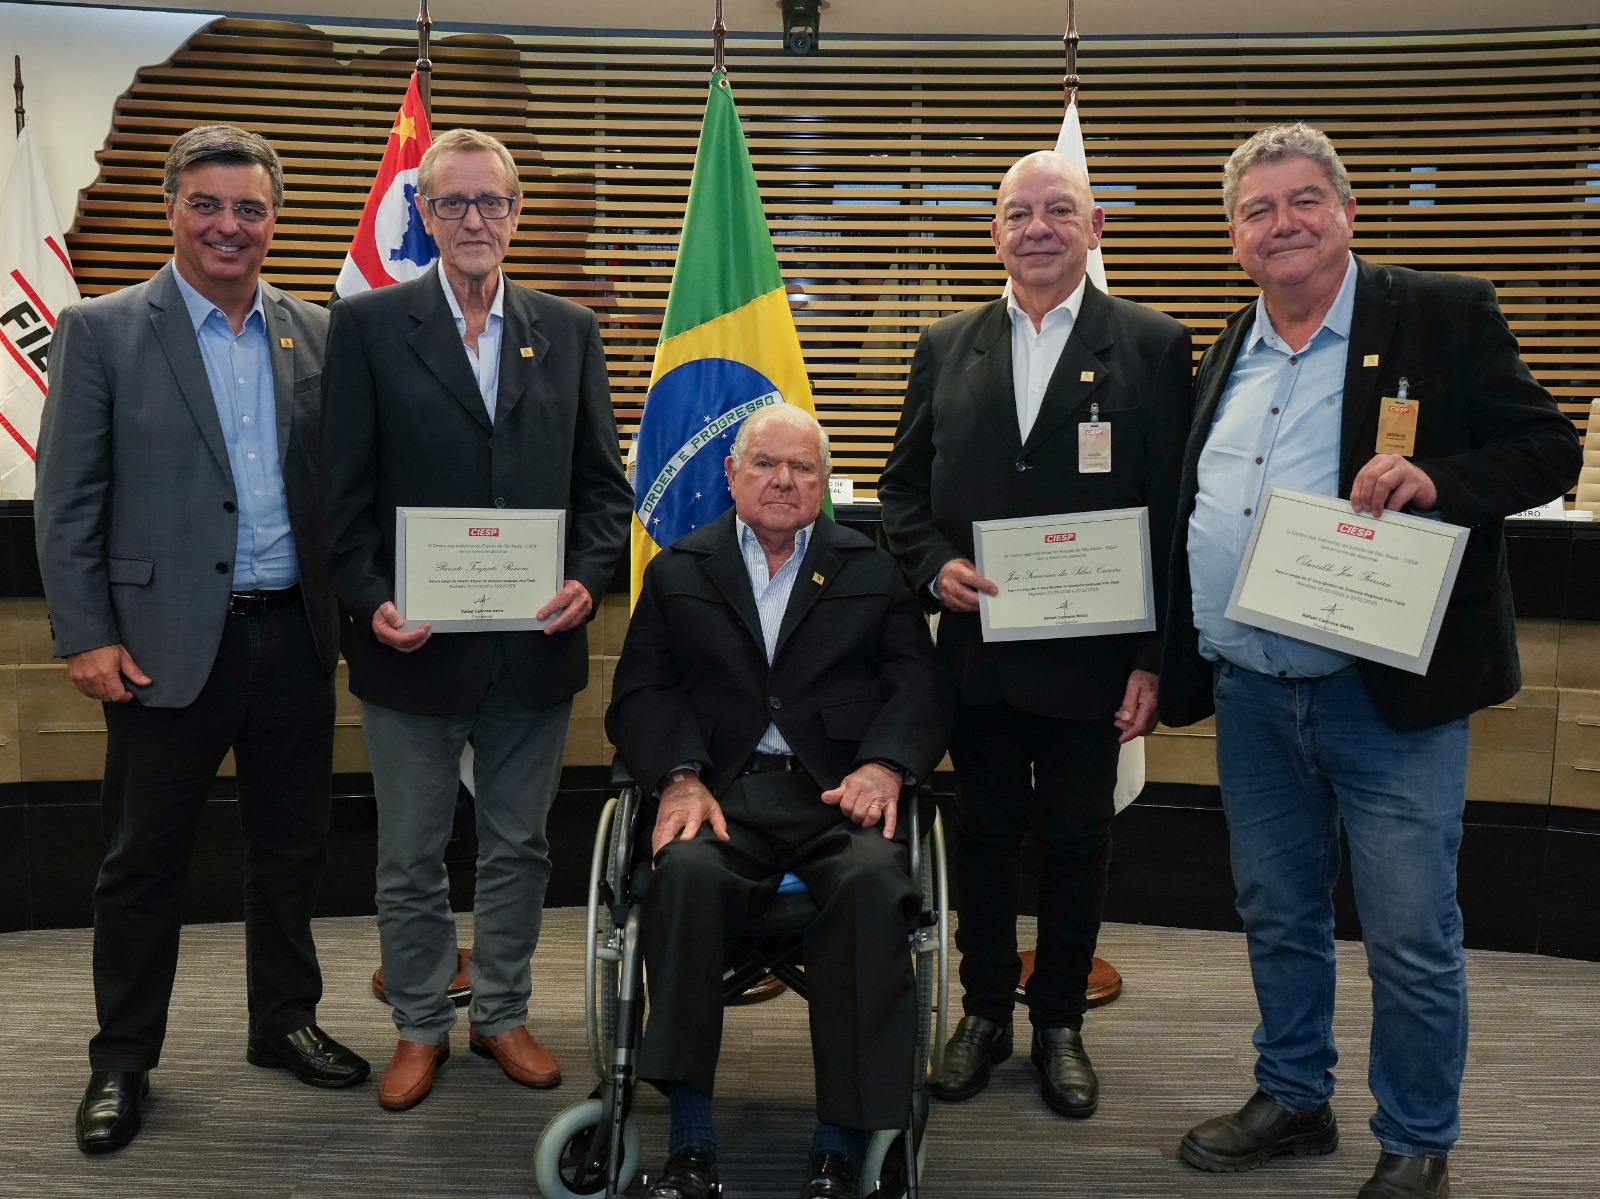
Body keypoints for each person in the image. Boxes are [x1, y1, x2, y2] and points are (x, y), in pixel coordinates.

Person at [1160, 123, 1581, 1199]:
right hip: (1252, 688)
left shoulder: (1437, 315)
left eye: (1304, 200)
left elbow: (1549, 446)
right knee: (1277, 910)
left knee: (1407, 928)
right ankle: (1294, 1094)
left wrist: (1436, 479)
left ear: (1345, 212)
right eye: (1257, 210)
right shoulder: (1226, 343)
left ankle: (1417, 1134)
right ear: (1233, 237)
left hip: (1382, 693)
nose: (1282, 223)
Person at [35, 124, 369, 1155]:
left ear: (275, 219)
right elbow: (67, 497)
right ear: (174, 208)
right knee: (143, 863)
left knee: (290, 852)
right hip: (159, 648)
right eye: (210, 205)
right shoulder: (99, 329)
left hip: (291, 641)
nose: (232, 225)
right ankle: (122, 1058)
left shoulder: (315, 331)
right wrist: (86, 633)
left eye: (252, 208)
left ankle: (283, 1021)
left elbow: (344, 490)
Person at [877, 149, 1193, 1118]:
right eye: (1019, 213)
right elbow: (899, 494)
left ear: (1094, 228)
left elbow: (1174, 509)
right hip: (977, 656)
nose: (1039, 228)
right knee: (983, 838)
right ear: (995, 233)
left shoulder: (1151, 343)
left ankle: (1058, 1021)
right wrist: (935, 567)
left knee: (1073, 839)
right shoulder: (946, 343)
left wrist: (1153, 656)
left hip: (1092, 664)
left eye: (1060, 210)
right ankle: (981, 1013)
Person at [321, 127, 630, 1112]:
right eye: (452, 203)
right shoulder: (367, 328)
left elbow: (602, 491)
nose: (473, 219)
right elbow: (340, 497)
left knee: (519, 846)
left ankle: (499, 1009)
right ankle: (419, 1024)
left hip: (531, 649)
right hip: (409, 652)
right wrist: (372, 600)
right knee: (409, 853)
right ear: (423, 211)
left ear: (515, 212)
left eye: (490, 201)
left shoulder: (569, 329)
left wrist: (588, 575)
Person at [607, 404, 951, 1199]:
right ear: (731, 474)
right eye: (766, 463)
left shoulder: (871, 566)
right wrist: (680, 775)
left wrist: (886, 766)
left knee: (872, 886)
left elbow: (918, 686)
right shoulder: (678, 569)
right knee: (682, 876)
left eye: (803, 467)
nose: (784, 481)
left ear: (825, 482)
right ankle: (691, 1139)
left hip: (839, 793)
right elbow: (640, 692)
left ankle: (841, 1140)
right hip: (721, 792)